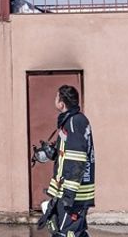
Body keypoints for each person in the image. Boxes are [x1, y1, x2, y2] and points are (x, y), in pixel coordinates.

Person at [43, 85, 95, 237]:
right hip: (70, 191)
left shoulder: (74, 122)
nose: (55, 100)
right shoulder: (73, 121)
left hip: (73, 194)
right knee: (74, 232)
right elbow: (70, 151)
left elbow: (77, 159)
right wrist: (53, 152)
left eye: (56, 97)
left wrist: (68, 194)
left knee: (66, 233)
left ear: (61, 103)